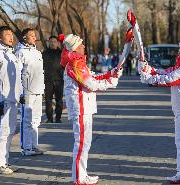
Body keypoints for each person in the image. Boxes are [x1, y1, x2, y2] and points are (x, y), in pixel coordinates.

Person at [138, 33, 180, 185]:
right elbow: (166, 72)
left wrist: (150, 79)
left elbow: (170, 79)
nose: (179, 51)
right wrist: (150, 69)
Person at [59, 34, 123, 185]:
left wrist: (110, 74)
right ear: (75, 48)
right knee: (81, 143)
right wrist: (111, 82)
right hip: (80, 108)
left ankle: (82, 175)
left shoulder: (78, 63)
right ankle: (79, 178)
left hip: (84, 107)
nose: (84, 47)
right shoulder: (75, 64)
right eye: (81, 45)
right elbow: (92, 85)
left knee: (85, 143)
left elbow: (93, 77)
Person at [0, 26, 22, 174]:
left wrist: (21, 94)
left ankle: (4, 160)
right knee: (1, 131)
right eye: (7, 35)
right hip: (2, 99)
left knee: (10, 131)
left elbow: (17, 77)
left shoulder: (11, 54)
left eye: (11, 35)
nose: (11, 37)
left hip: (13, 99)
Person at [15, 28, 44, 156]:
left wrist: (42, 90)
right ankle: (26, 147)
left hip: (38, 90)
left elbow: (40, 73)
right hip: (27, 91)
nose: (34, 37)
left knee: (36, 120)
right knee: (27, 119)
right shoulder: (20, 52)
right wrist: (20, 92)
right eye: (31, 35)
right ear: (24, 37)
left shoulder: (38, 52)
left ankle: (34, 145)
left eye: (34, 35)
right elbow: (17, 74)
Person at [42, 36, 64, 123]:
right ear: (48, 42)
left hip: (59, 80)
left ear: (57, 43)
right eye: (51, 41)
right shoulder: (45, 53)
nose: (52, 43)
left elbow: (65, 66)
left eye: (54, 41)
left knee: (59, 100)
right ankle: (49, 118)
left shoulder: (61, 53)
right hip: (48, 80)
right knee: (48, 100)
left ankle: (58, 118)